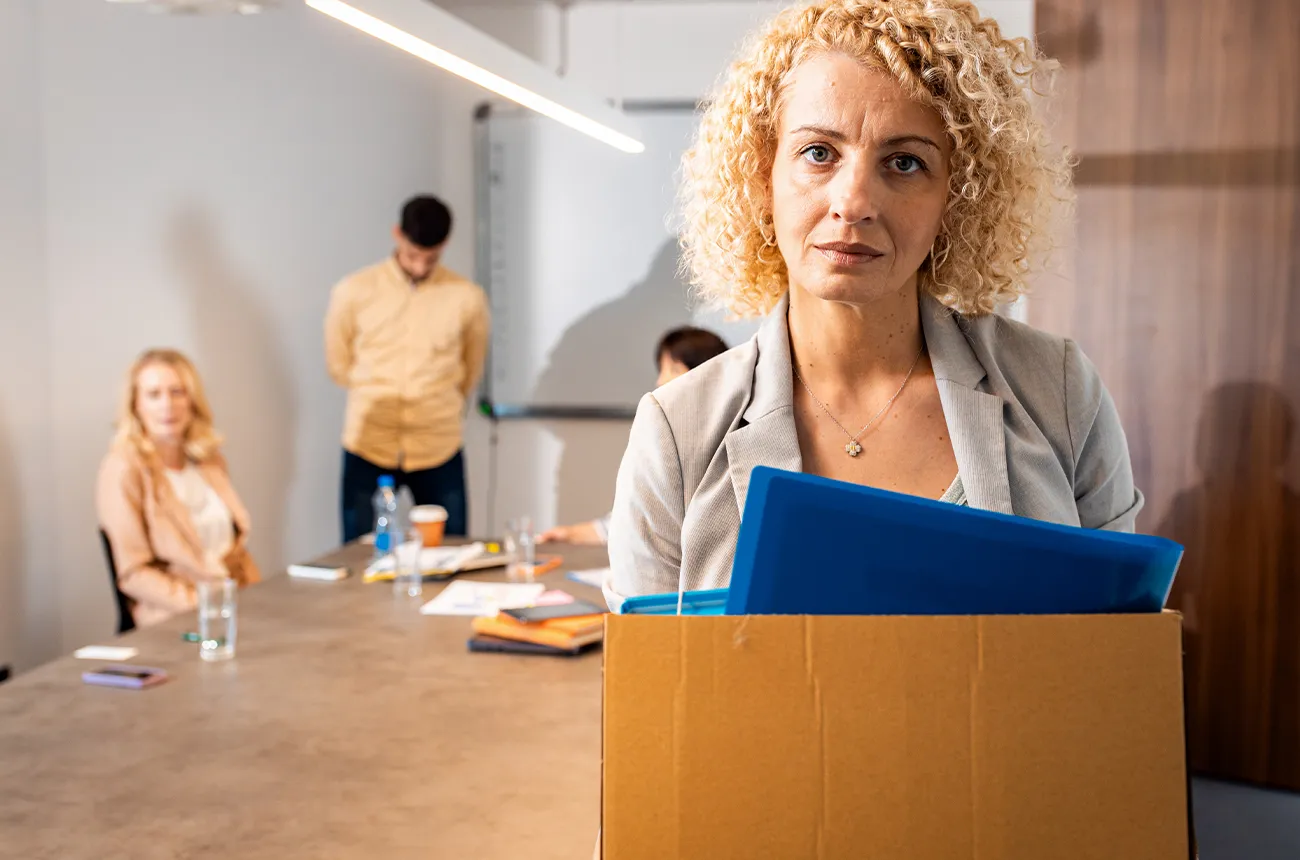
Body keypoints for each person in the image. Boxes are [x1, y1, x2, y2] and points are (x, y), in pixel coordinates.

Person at [605, 0, 1142, 608]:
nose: (853, 201)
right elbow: (647, 691)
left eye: (905, 162)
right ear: (762, 176)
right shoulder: (677, 431)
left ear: (956, 197)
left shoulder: (1061, 393)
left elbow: (1113, 667)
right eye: (818, 153)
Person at [325, 195, 489, 541]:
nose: (419, 267)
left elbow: (470, 369)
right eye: (413, 255)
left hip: (437, 444)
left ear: (444, 245)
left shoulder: (466, 298)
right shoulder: (353, 291)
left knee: (451, 551)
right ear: (397, 234)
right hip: (368, 441)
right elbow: (339, 365)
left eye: (430, 258)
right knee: (358, 553)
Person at [96, 349, 261, 628]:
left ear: (192, 400)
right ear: (136, 405)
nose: (167, 405)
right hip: (174, 617)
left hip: (235, 605)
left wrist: (263, 598)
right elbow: (134, 574)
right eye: (154, 395)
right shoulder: (124, 468)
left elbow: (236, 552)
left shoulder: (208, 459)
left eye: (177, 392)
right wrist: (206, 606)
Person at [539, 325, 729, 545]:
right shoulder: (667, 436)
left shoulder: (723, 442)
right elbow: (636, 517)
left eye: (674, 370)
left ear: (706, 374)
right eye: (661, 370)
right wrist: (570, 534)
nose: (661, 382)